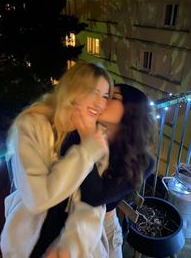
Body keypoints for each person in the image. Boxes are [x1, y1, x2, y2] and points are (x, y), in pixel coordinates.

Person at [0, 61, 113, 258]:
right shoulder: (32, 126)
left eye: (104, 96)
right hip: (27, 241)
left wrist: (70, 247)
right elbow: (37, 199)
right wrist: (86, 151)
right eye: (94, 92)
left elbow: (95, 202)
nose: (99, 103)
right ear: (73, 89)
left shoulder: (97, 137)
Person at [44, 84, 155, 258]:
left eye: (114, 97)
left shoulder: (143, 161)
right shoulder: (77, 133)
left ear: (133, 110)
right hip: (62, 217)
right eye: (104, 94)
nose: (102, 100)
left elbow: (94, 197)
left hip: (105, 226)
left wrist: (86, 137)